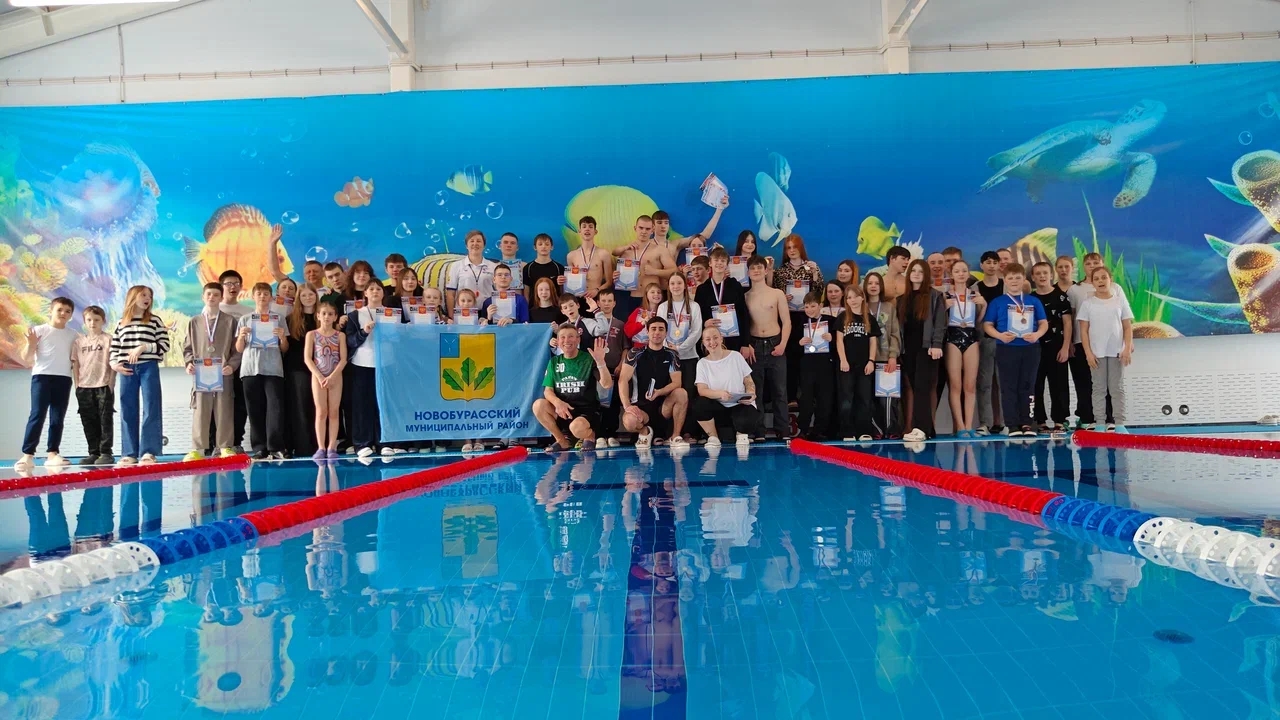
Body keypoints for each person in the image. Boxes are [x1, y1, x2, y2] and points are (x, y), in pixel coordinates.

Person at [983, 263, 1048, 437]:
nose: (1014, 281)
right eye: (1010, 278)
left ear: (1024, 279)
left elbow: (1043, 323)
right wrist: (999, 335)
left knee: (1028, 385)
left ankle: (1027, 423)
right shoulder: (997, 302)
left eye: (1017, 278)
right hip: (1006, 348)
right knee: (1008, 387)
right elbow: (987, 325)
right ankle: (1012, 425)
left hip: (1030, 348)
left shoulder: (1033, 301)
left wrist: (1037, 334)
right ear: (1005, 280)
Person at [1067, 253, 1128, 429]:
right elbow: (1078, 324)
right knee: (1094, 386)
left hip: (1114, 349)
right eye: (1088, 263)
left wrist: (1127, 345)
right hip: (1090, 347)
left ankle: (1115, 422)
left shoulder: (1117, 294)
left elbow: (1126, 323)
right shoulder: (1080, 295)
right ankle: (1095, 421)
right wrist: (1080, 348)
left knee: (1114, 387)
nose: (1092, 266)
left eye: (1096, 263)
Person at [110, 285, 169, 466]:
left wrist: (143, 347)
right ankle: (129, 453)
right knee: (127, 408)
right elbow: (114, 348)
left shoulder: (155, 321)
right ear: (133, 297)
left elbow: (164, 344)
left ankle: (149, 452)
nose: (147, 299)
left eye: (149, 296)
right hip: (127, 369)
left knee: (151, 407)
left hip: (148, 367)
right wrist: (114, 364)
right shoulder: (121, 323)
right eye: (143, 295)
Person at [183, 282, 242, 461]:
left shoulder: (230, 321)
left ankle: (225, 446)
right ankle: (198, 449)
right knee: (201, 409)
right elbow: (187, 348)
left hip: (223, 372)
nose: (212, 297)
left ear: (221, 297)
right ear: (203, 297)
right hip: (202, 373)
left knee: (224, 409)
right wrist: (189, 363)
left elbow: (237, 349)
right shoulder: (194, 322)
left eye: (216, 295)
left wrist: (232, 365)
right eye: (208, 294)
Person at [17, 296, 77, 469]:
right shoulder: (39, 330)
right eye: (59, 310)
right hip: (41, 377)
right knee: (37, 414)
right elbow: (26, 358)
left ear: (71, 315)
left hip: (64, 378)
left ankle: (52, 453)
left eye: (67, 311)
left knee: (57, 417)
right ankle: (27, 455)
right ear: (50, 311)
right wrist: (31, 344)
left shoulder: (74, 335)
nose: (63, 313)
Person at [533, 326, 613, 452]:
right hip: (564, 411)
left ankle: (590, 436)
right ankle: (561, 441)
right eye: (562, 337)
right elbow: (548, 391)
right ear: (558, 341)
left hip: (587, 412)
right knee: (538, 405)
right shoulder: (554, 362)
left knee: (577, 428)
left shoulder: (588, 359)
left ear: (578, 339)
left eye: (571, 336)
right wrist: (558, 403)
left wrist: (600, 362)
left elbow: (607, 384)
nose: (566, 340)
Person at [235, 282, 290, 460]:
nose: (262, 297)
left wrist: (282, 338)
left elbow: (284, 349)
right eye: (259, 293)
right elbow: (239, 348)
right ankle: (259, 448)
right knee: (254, 409)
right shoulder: (245, 319)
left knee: (275, 408)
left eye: (266, 294)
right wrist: (241, 336)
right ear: (253, 296)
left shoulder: (278, 318)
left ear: (271, 297)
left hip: (273, 368)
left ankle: (276, 447)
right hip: (250, 368)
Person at [618, 317, 690, 449]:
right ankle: (645, 432)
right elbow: (623, 379)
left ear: (666, 333)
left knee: (681, 393)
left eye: (661, 329)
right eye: (653, 329)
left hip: (663, 407)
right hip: (641, 408)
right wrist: (627, 406)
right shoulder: (635, 353)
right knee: (629, 421)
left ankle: (675, 437)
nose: (657, 332)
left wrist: (659, 392)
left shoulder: (672, 354)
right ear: (647, 331)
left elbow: (676, 383)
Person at [1078, 266, 1134, 432]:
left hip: (1117, 353)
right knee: (1099, 389)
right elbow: (1083, 331)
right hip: (1097, 354)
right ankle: (1100, 423)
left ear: (1111, 279)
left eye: (1104, 277)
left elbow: (1127, 327)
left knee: (1117, 388)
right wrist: (1088, 353)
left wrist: (1126, 348)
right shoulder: (1088, 304)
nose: (1100, 281)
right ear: (1092, 283)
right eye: (1096, 279)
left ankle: (1119, 423)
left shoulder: (1119, 301)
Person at [897, 261, 946, 442]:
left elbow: (940, 322)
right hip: (907, 351)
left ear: (926, 275)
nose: (916, 274)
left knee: (922, 388)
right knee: (915, 388)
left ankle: (920, 428)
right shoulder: (901, 299)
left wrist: (937, 344)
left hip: (927, 349)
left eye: (920, 271)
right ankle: (928, 428)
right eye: (913, 271)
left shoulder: (935, 296)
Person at [746, 255, 792, 439]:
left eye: (759, 267)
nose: (756, 271)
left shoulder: (777, 294)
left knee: (780, 391)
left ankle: (783, 430)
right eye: (753, 268)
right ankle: (759, 431)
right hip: (754, 346)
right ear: (748, 272)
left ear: (766, 270)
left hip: (776, 343)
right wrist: (747, 344)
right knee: (755, 390)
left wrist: (783, 344)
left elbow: (787, 322)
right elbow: (743, 323)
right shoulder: (745, 296)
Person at [774, 234, 823, 403]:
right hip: (788, 318)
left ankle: (811, 397)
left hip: (807, 317)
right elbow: (775, 293)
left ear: (801, 248)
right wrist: (783, 297)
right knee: (791, 358)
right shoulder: (781, 271)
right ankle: (792, 396)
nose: (792, 250)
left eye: (795, 247)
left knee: (808, 357)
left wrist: (815, 274)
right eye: (788, 248)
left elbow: (819, 292)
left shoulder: (811, 267)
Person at [694, 326, 762, 447]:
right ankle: (713, 437)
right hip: (717, 407)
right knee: (699, 404)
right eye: (708, 339)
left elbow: (748, 381)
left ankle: (741, 435)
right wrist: (720, 394)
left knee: (749, 412)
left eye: (715, 338)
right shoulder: (702, 363)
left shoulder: (736, 356)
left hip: (739, 405)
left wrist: (751, 393)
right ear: (703, 342)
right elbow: (702, 390)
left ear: (721, 339)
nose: (712, 342)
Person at [943, 260, 987, 439]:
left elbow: (979, 321)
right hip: (952, 337)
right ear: (951, 275)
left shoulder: (975, 294)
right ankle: (960, 426)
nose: (961, 274)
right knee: (956, 385)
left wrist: (984, 305)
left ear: (968, 273)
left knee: (970, 385)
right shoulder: (946, 295)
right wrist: (944, 308)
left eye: (963, 271)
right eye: (957, 271)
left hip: (971, 336)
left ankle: (969, 425)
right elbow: (940, 321)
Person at [346, 281, 388, 457]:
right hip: (362, 364)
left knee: (383, 404)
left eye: (378, 289)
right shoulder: (355, 315)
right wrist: (363, 332)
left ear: (383, 293)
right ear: (365, 293)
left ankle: (383, 442)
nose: (375, 291)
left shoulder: (392, 313)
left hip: (386, 364)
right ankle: (362, 443)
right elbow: (350, 341)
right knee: (362, 405)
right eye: (371, 289)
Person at [1030, 261, 1073, 433]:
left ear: (1051, 275)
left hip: (1057, 347)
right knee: (1036, 385)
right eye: (1038, 273)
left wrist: (1065, 347)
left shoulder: (1061, 297)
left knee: (1059, 384)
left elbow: (1068, 323)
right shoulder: (1030, 299)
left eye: (1045, 273)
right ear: (1033, 277)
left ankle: (1060, 421)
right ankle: (1039, 421)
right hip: (1035, 348)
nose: (1042, 276)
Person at [834, 284, 881, 441]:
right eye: (849, 298)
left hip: (864, 365)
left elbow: (873, 342)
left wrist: (871, 361)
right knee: (846, 398)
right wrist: (843, 360)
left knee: (865, 398)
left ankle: (864, 430)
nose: (852, 300)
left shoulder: (870, 319)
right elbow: (839, 341)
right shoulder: (842, 317)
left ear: (862, 298)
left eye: (855, 297)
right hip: (846, 365)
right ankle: (847, 431)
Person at [584, 287, 628, 447]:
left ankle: (611, 434)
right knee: (599, 403)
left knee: (613, 403)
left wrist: (621, 364)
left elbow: (625, 348)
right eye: (603, 301)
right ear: (598, 303)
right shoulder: (592, 323)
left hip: (614, 369)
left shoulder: (620, 324)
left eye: (610, 301)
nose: (607, 304)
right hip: (597, 370)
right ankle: (600, 435)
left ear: (615, 303)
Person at [71, 305, 115, 466]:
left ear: (103, 321)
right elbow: (75, 364)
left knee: (105, 420)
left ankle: (106, 452)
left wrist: (111, 383)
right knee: (88, 421)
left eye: (96, 320)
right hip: (84, 387)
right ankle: (93, 452)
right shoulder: (78, 342)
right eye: (89, 320)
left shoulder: (108, 339)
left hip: (103, 385)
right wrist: (77, 385)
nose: (92, 323)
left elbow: (113, 363)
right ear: (84, 321)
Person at [305, 302, 348, 459]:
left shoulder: (340, 336)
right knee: (321, 411)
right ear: (318, 316)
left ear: (335, 317)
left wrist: (332, 376)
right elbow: (308, 359)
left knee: (334, 412)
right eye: (323, 313)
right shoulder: (312, 335)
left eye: (330, 314)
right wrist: (320, 376)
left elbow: (343, 359)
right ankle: (321, 447)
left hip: (335, 376)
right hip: (318, 377)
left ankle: (331, 447)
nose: (327, 317)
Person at [614, 215, 675, 319]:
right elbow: (615, 255)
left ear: (652, 230)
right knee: (630, 328)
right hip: (629, 297)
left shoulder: (660, 250)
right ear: (635, 228)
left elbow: (674, 272)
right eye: (641, 228)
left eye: (647, 229)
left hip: (651, 299)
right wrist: (616, 276)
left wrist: (655, 271)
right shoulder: (626, 251)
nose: (644, 231)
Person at [656, 273, 702, 406]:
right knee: (668, 396)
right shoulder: (663, 307)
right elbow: (659, 329)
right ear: (668, 287)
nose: (676, 286)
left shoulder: (694, 306)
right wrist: (668, 348)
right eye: (672, 283)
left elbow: (697, 331)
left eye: (679, 283)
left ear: (685, 286)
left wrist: (679, 348)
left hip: (689, 357)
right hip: (667, 356)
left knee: (688, 395)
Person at [865, 272, 902, 438]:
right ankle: (876, 430)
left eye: (876, 283)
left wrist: (893, 356)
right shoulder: (861, 306)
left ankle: (891, 430)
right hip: (866, 359)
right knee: (868, 398)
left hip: (885, 358)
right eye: (870, 283)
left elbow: (895, 333)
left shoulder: (889, 307)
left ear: (881, 286)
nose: (873, 286)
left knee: (887, 399)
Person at [284, 285, 320, 458]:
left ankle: (319, 445)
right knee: (301, 406)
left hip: (321, 369)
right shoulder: (291, 319)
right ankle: (303, 446)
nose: (307, 298)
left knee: (318, 408)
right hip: (298, 368)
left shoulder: (323, 316)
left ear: (316, 296)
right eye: (303, 295)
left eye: (310, 294)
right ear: (298, 298)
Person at [218, 269, 251, 451]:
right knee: (218, 404)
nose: (233, 287)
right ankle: (216, 443)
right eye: (229, 284)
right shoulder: (214, 309)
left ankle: (237, 441)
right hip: (219, 364)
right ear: (221, 286)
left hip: (242, 364)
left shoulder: (248, 311)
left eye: (236, 284)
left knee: (240, 404)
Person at [794, 292, 834, 440]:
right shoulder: (800, 321)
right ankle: (803, 429)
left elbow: (841, 343)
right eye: (806, 307)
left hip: (825, 364)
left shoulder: (831, 321)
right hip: (807, 364)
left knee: (824, 398)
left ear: (820, 306)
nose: (809, 310)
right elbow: (792, 345)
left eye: (813, 306)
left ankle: (820, 430)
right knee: (806, 398)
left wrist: (832, 338)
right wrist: (799, 343)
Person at [695, 248, 750, 353]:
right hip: (711, 340)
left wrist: (745, 343)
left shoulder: (735, 286)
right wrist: (704, 323)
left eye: (723, 260)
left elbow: (743, 314)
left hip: (734, 339)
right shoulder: (702, 289)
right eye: (716, 260)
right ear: (710, 263)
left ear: (727, 264)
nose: (719, 263)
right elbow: (697, 316)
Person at [975, 250, 1005, 435]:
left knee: (1004, 384)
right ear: (981, 265)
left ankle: (1005, 423)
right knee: (984, 384)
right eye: (988, 262)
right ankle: (985, 423)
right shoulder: (974, 289)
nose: (991, 265)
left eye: (995, 262)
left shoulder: (1007, 286)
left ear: (999, 264)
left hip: (1005, 341)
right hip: (983, 341)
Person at [564, 216, 615, 307]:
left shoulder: (603, 254)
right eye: (584, 226)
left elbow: (609, 282)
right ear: (579, 231)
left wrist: (597, 290)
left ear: (595, 231)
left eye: (590, 227)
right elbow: (571, 283)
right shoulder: (571, 256)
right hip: (578, 299)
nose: (587, 229)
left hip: (596, 298)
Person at [446, 230, 499, 313]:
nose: (475, 244)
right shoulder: (456, 266)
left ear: (484, 245)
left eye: (479, 241)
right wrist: (451, 315)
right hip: (464, 312)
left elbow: (498, 290)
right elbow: (450, 294)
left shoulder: (493, 266)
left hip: (488, 312)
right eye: (472, 241)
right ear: (466, 245)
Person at [523, 233, 565, 304]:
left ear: (552, 247)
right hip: (534, 307)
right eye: (540, 244)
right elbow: (526, 293)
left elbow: (562, 292)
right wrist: (527, 308)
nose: (544, 246)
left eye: (547, 244)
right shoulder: (528, 268)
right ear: (535, 247)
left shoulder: (559, 267)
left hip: (554, 307)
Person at [623, 283, 666, 349]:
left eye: (659, 292)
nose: (656, 294)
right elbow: (628, 332)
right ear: (646, 295)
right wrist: (642, 324)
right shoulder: (638, 311)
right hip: (639, 348)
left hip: (659, 348)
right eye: (652, 292)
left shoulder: (664, 312)